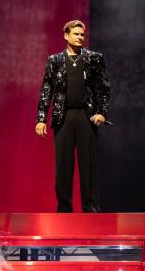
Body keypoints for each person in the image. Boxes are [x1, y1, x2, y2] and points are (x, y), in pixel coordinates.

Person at [36, 20, 110, 213]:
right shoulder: (55, 60)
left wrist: (102, 112)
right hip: (63, 117)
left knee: (88, 166)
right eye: (76, 34)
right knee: (63, 166)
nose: (79, 37)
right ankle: (64, 211)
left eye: (82, 34)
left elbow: (103, 87)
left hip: (87, 116)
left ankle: (91, 210)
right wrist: (41, 118)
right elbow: (47, 89)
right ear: (66, 35)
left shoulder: (94, 58)